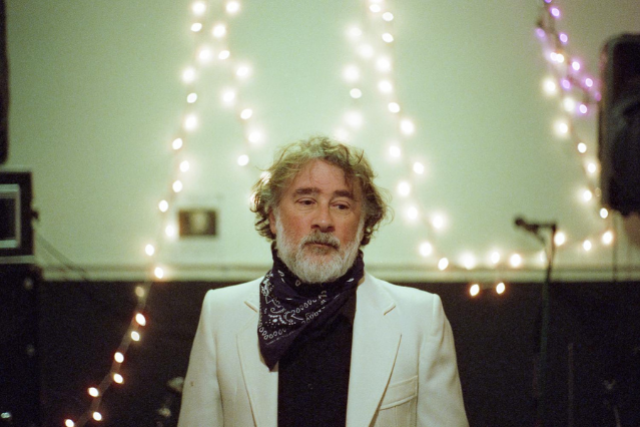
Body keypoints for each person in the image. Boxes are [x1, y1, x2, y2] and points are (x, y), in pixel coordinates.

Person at [178, 136, 468, 427]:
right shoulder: (221, 314)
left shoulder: (420, 319)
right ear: (274, 217)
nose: (324, 220)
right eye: (307, 201)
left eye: (341, 205)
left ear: (363, 224)